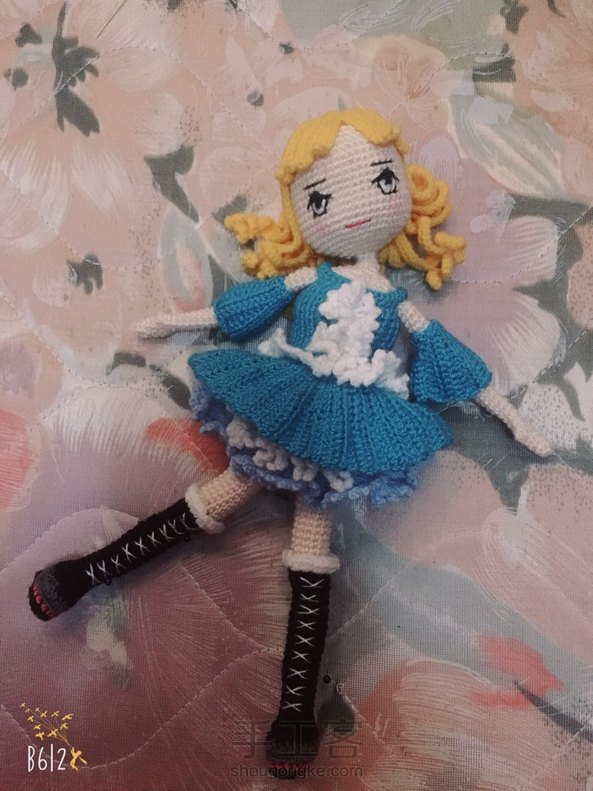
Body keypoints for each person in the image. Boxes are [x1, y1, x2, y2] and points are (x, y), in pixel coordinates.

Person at [28, 108, 551, 776]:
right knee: (214, 502)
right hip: (288, 408)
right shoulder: (310, 279)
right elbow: (240, 308)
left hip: (342, 435)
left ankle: (294, 711)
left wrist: (511, 418)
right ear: (302, 213)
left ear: (407, 193)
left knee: (306, 550)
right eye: (322, 199)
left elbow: (455, 365)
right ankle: (84, 574)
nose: (356, 210)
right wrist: (179, 321)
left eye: (381, 182)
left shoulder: (396, 305)